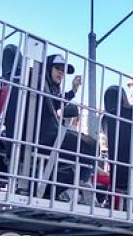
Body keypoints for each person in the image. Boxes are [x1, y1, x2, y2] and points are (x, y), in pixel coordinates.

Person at [39, 54, 97, 198]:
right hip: (47, 137)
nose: (61, 73)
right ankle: (80, 181)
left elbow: (56, 101)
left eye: (63, 71)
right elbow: (55, 101)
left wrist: (72, 91)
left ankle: (74, 182)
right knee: (92, 146)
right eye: (57, 68)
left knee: (86, 149)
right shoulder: (42, 85)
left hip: (47, 135)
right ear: (47, 68)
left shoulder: (47, 86)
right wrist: (71, 93)